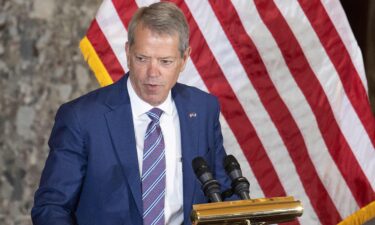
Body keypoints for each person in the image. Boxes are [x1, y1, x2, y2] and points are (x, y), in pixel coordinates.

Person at [31, 2, 233, 225]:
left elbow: (224, 194)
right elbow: (51, 208)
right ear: (128, 52)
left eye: (165, 62)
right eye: (142, 59)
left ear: (184, 59)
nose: (152, 73)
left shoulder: (203, 109)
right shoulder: (82, 118)